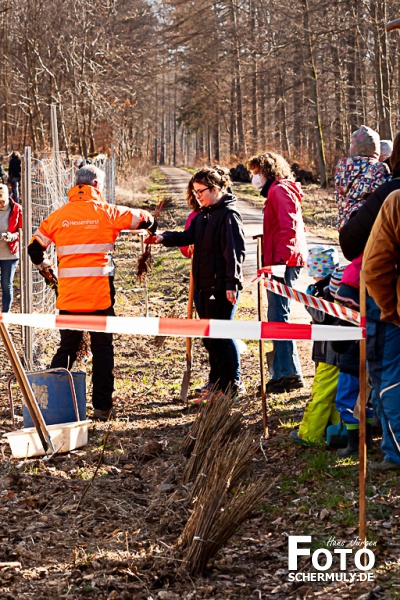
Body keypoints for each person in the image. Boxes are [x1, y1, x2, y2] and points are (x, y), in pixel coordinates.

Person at [27, 164, 156, 421]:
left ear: (77, 185)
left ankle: (52, 404)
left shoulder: (59, 216)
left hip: (69, 297)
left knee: (68, 347)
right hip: (99, 297)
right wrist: (152, 226)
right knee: (102, 349)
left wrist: (44, 265)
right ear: (97, 185)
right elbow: (144, 218)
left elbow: (34, 248)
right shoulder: (108, 212)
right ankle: (102, 407)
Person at [146, 166, 246, 401]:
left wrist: (232, 283)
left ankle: (233, 384)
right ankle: (218, 382)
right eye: (194, 191)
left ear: (215, 188)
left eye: (201, 191)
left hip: (220, 287)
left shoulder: (228, 216)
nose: (197, 196)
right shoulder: (204, 215)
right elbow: (188, 236)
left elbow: (234, 252)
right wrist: (162, 238)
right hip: (203, 286)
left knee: (221, 336)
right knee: (210, 337)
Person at [247, 152, 307, 393]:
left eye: (256, 172)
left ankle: (289, 372)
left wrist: (281, 259)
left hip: (283, 261)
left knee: (278, 314)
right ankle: (284, 370)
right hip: (279, 259)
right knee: (276, 314)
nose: (254, 178)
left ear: (267, 171)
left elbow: (288, 226)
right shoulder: (275, 191)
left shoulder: (279, 190)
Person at [362, 189, 400, 471]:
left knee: (392, 382)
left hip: (395, 320)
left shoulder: (396, 201)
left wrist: (390, 310)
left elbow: (374, 269)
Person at [334, 126, 390, 308]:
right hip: (364, 224)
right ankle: (353, 290)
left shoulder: (342, 167)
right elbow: (383, 194)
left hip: (344, 226)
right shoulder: (378, 168)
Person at [290, 248, 342, 445]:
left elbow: (322, 316)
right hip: (338, 350)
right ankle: (337, 431)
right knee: (337, 392)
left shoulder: (326, 290)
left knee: (320, 393)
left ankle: (309, 434)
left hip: (329, 352)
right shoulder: (339, 285)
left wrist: (309, 301)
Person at [0, 184, 22, 312]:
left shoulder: (16, 209)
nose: (0, 205)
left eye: (2, 202)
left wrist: (12, 236)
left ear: (8, 198)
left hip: (10, 254)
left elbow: (22, 231)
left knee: (6, 284)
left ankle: (5, 314)